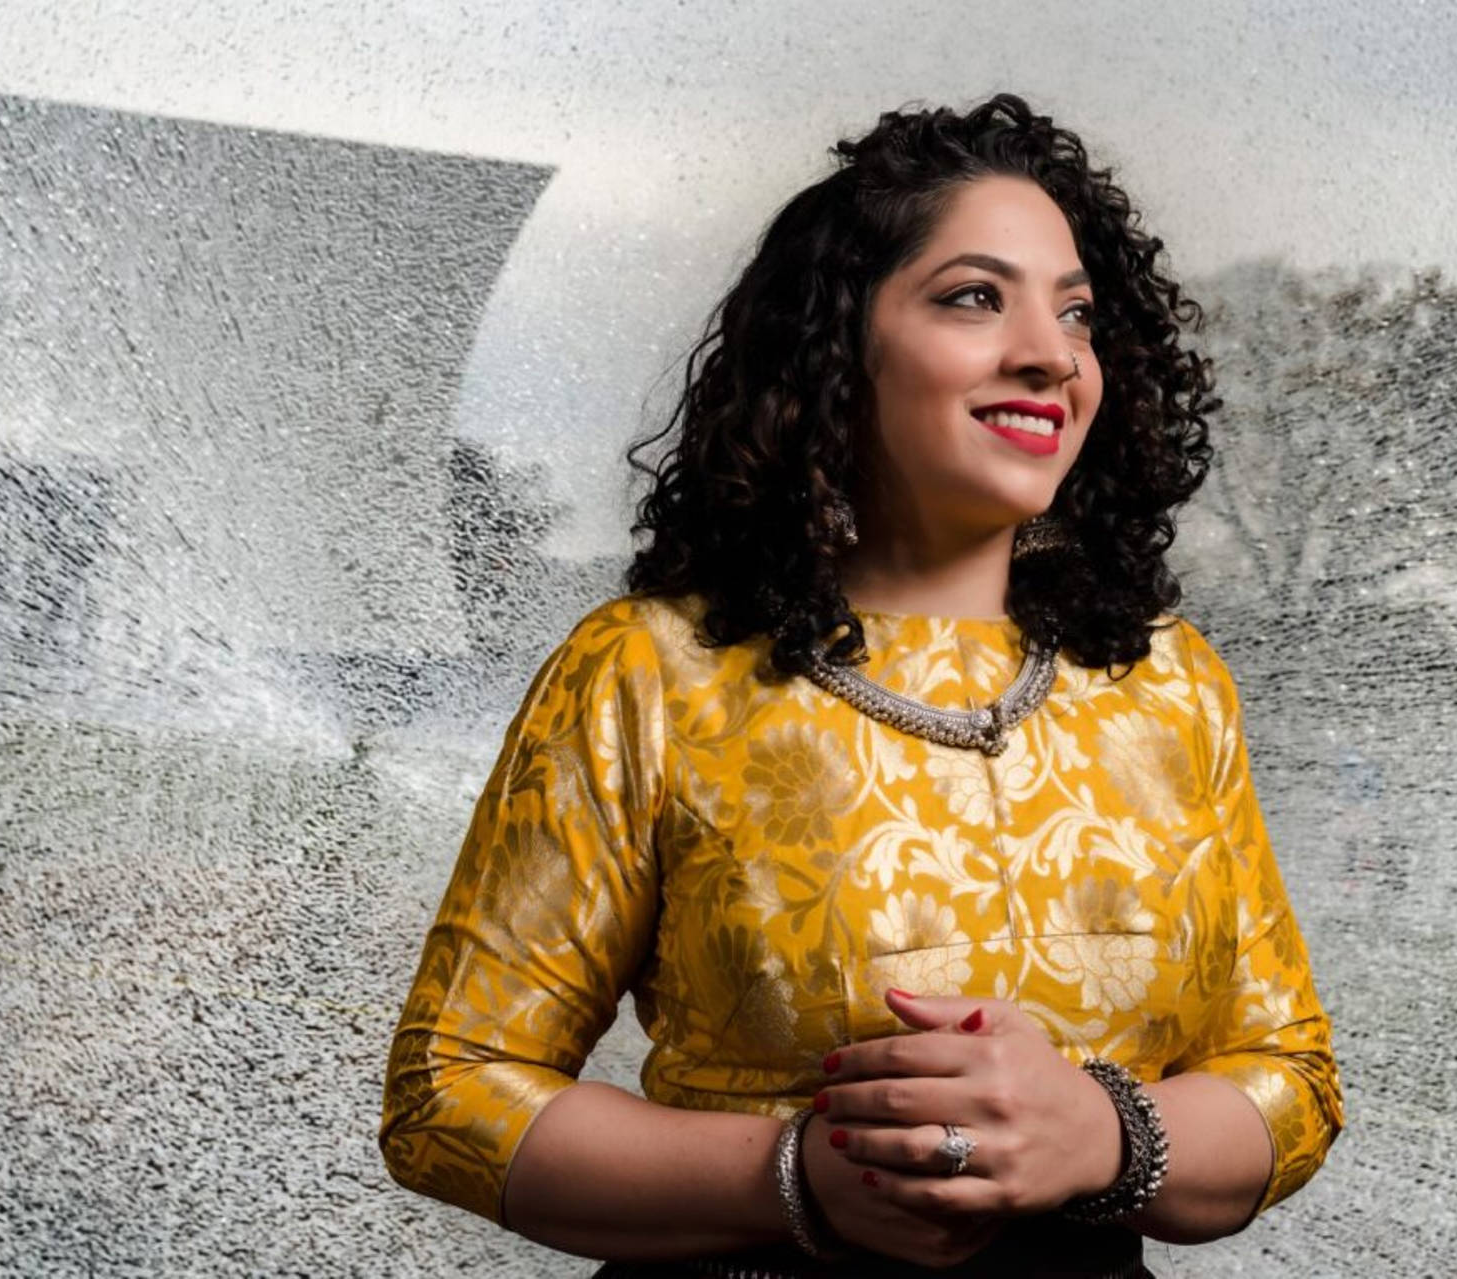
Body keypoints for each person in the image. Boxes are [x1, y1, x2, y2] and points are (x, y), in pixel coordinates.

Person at [379, 93, 1343, 1277]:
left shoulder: (1172, 687)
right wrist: (798, 1179)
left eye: (1076, 311)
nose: (1049, 350)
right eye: (975, 296)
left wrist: (1101, 1131)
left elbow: (1288, 1079)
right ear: (840, 350)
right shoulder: (648, 669)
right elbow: (448, 1095)